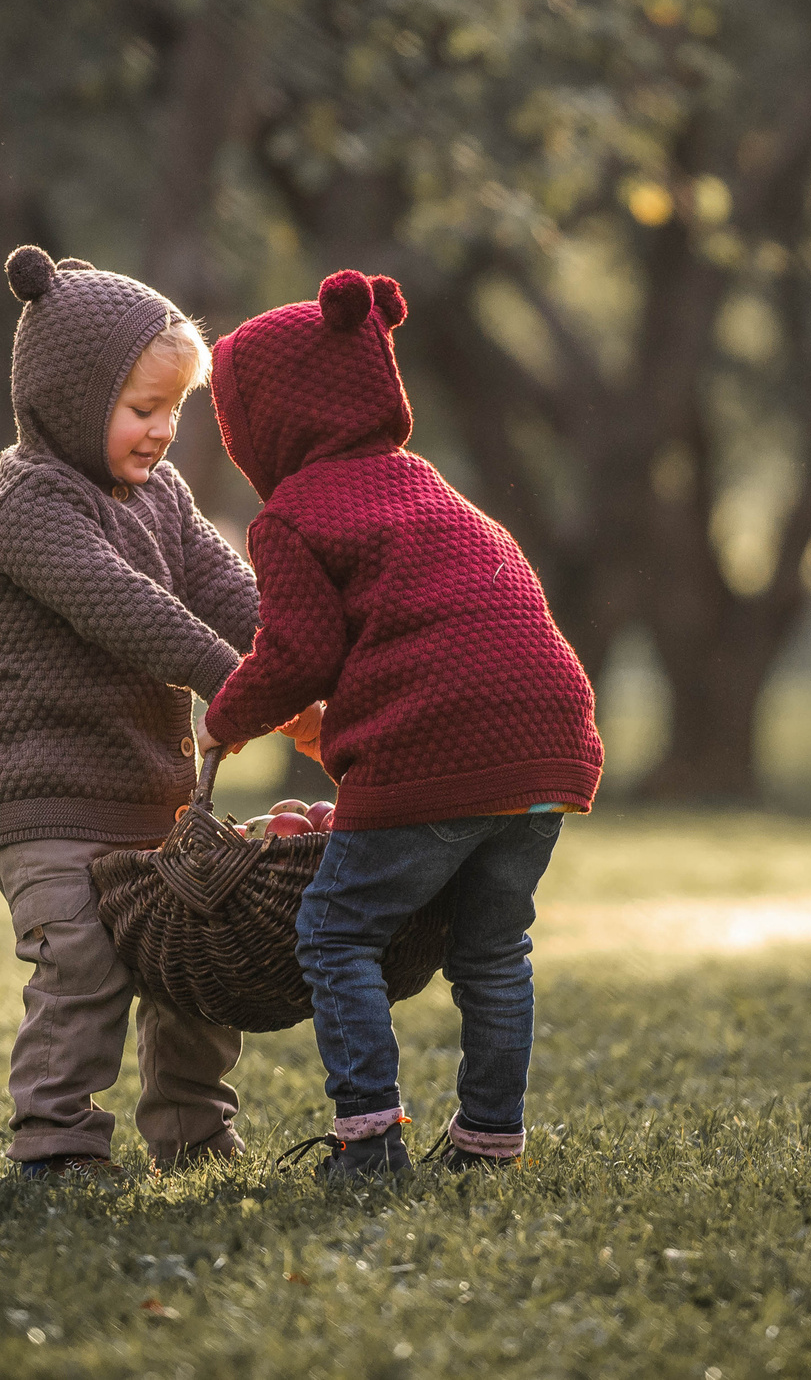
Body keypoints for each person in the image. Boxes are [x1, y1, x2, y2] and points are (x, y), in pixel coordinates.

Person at [197, 269, 604, 1179]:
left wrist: (225, 718)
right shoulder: (428, 487)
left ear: (265, 423)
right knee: (494, 948)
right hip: (548, 744)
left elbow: (297, 651)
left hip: (441, 743)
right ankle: (489, 1139)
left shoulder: (292, 514)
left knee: (334, 931)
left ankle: (371, 1140)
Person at [0, 245, 257, 1178]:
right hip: (46, 799)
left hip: (150, 797)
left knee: (193, 959)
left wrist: (301, 655)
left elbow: (227, 589)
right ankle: (57, 1142)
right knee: (83, 961)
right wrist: (232, 680)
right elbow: (126, 607)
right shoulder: (30, 503)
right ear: (71, 398)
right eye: (142, 408)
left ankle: (194, 1132)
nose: (163, 430)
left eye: (174, 409)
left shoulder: (162, 494)